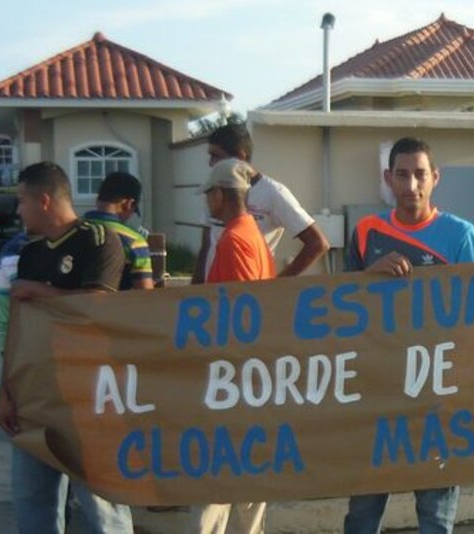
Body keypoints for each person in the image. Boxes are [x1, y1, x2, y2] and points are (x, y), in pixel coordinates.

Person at [344, 137, 474, 534]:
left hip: (438, 396)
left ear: (435, 178)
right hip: (377, 392)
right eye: (402, 175)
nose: (411, 185)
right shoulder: (366, 232)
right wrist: (368, 277)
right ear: (388, 178)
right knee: (361, 514)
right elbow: (339, 307)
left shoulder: (460, 235)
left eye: (420, 175)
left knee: (435, 518)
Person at [0, 161, 133, 533]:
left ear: (43, 200)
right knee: (32, 503)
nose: (19, 211)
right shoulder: (30, 254)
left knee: (102, 508)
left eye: (22, 201)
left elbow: (97, 307)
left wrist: (38, 290)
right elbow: (18, 329)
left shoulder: (99, 240)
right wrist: (6, 390)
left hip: (89, 397)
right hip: (35, 395)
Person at [190, 159, 275, 534]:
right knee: (248, 480)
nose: (206, 201)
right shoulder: (252, 234)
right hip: (249, 377)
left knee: (218, 476)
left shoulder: (235, 239)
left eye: (208, 194)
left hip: (233, 378)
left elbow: (243, 316)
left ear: (220, 195)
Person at [192, 123, 328, 283]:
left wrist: (275, 286)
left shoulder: (273, 192)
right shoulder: (216, 188)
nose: (211, 163)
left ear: (240, 157)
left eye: (216, 156)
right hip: (213, 291)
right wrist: (193, 291)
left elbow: (317, 243)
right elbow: (206, 245)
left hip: (244, 288)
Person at [85, 171, 154, 290]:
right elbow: (145, 293)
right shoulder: (135, 242)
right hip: (115, 301)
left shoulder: (74, 229)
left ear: (97, 199)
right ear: (128, 204)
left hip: (67, 300)